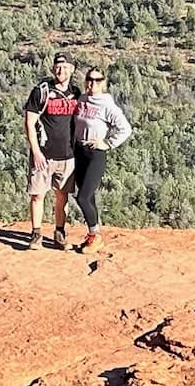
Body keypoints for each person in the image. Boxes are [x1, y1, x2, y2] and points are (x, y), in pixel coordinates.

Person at [22, 54, 81, 249]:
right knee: (38, 195)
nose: (60, 70)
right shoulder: (42, 91)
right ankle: (36, 234)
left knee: (62, 194)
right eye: (57, 67)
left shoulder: (76, 93)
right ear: (52, 69)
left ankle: (59, 232)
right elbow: (29, 123)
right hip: (44, 155)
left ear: (72, 69)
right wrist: (36, 152)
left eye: (65, 67)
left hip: (67, 155)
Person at [71, 66, 131, 251]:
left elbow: (125, 129)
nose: (92, 83)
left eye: (97, 80)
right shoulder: (81, 99)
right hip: (79, 152)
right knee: (88, 198)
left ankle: (95, 236)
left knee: (82, 197)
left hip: (95, 154)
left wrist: (107, 143)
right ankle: (93, 236)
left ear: (103, 83)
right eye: (90, 79)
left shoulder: (107, 105)